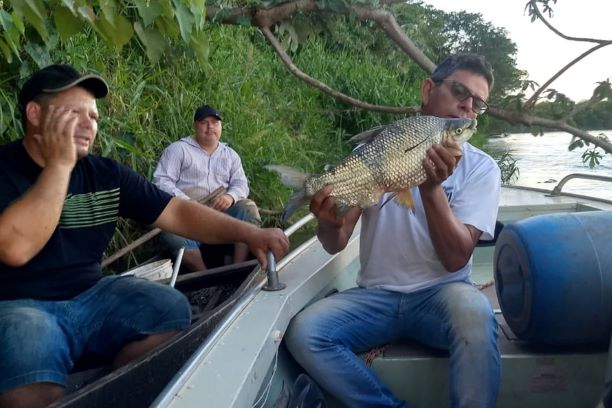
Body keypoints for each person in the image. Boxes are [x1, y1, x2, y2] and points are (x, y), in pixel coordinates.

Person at [0, 64, 289, 408]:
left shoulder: (105, 173)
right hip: (20, 305)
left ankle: (109, 391)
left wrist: (252, 233)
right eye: (73, 113)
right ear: (34, 113)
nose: (88, 123)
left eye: (92, 116)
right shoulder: (4, 169)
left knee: (169, 310)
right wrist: (60, 166)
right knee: (31, 375)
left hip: (94, 295)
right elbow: (14, 248)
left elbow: (177, 212)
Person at [285, 54, 501, 407]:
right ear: (428, 89)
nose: (467, 105)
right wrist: (327, 220)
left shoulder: (482, 169)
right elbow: (336, 241)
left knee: (477, 314)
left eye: (478, 103)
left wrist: (430, 188)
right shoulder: (376, 150)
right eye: (460, 91)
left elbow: (456, 258)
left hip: (443, 296)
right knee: (304, 333)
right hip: (375, 297)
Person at [153, 105, 261, 271]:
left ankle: (236, 270)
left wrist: (230, 197)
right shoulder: (178, 149)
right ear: (196, 126)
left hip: (221, 214)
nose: (210, 127)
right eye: (204, 122)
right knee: (168, 234)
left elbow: (241, 184)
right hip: (186, 216)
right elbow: (161, 181)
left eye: (215, 122)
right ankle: (205, 276)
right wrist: (187, 202)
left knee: (248, 209)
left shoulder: (230, 155)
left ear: (221, 127)